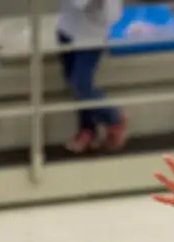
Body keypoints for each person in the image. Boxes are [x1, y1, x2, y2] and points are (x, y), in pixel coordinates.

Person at [57, 0, 126, 153]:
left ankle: (113, 117)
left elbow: (113, 15)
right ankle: (87, 130)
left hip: (92, 36)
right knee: (73, 84)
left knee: (81, 85)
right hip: (66, 29)